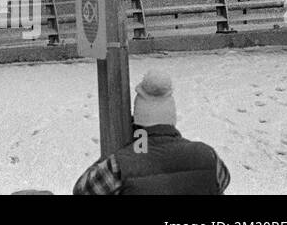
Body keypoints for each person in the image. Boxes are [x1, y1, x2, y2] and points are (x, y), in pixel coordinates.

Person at [73, 69, 230, 195]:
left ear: (137, 121)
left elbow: (82, 190)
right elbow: (223, 182)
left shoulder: (118, 165)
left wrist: (114, 150)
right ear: (172, 118)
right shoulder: (208, 156)